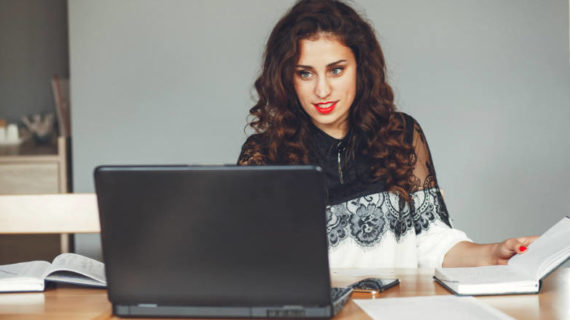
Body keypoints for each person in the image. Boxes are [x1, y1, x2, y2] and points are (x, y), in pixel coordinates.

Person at [237, 0, 536, 268]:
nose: (322, 90)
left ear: (360, 68)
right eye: (305, 73)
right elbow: (252, 262)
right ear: (286, 78)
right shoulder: (264, 154)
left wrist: (494, 252)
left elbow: (433, 241)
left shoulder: (402, 135)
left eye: (336, 70)